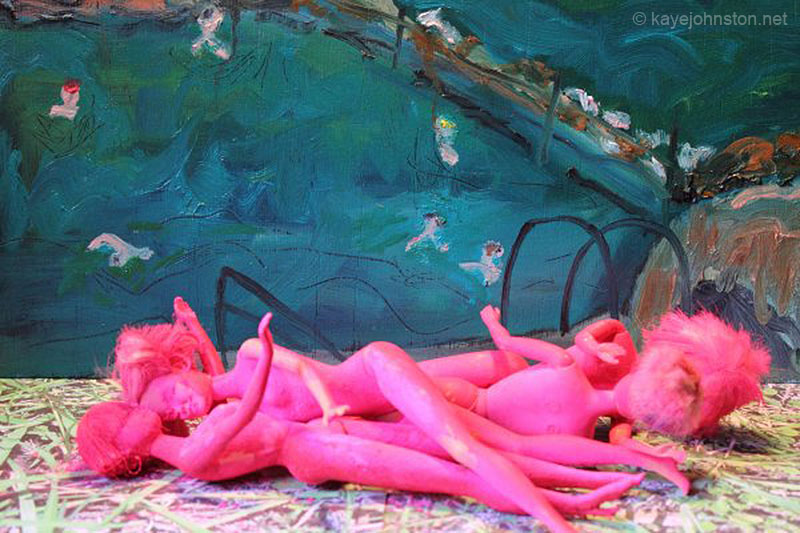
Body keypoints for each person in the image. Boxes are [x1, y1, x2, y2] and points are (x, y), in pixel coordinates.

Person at [81, 312, 672, 533]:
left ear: (180, 368)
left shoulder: (251, 355)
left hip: (374, 375)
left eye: (173, 391)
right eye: (171, 410)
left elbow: (286, 370)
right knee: (475, 456)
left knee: (469, 447)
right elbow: (215, 396)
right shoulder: (222, 412)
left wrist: (325, 401)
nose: (180, 404)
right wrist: (195, 336)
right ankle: (597, 482)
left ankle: (566, 509)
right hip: (352, 425)